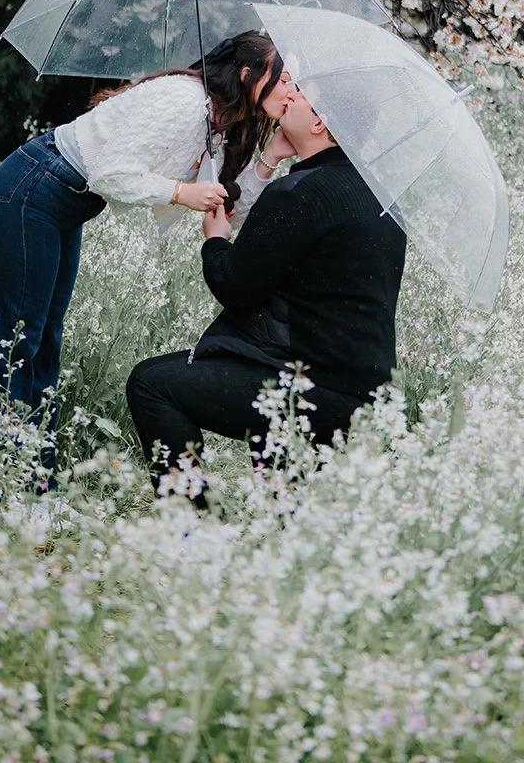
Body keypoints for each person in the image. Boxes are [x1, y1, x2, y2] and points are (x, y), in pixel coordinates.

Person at [0, 32, 276, 472]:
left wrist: (271, 157)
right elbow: (109, 171)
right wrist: (179, 191)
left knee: (44, 339)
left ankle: (35, 473)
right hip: (33, 187)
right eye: (281, 78)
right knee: (19, 335)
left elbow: (229, 206)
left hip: (62, 200)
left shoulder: (218, 122)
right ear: (249, 75)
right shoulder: (183, 100)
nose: (290, 88)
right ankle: (6, 474)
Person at [126, 35, 407, 492]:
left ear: (319, 124)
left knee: (152, 383)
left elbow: (236, 286)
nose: (289, 94)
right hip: (357, 391)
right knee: (279, 503)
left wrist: (215, 242)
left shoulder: (300, 195)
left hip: (301, 386)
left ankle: (189, 529)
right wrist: (272, 156)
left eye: (301, 96)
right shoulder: (380, 196)